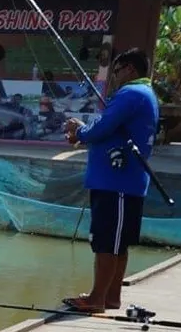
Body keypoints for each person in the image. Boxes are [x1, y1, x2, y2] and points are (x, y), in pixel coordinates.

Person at [62, 48, 160, 315]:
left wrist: (80, 131)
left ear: (129, 69)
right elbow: (110, 127)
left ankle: (96, 300)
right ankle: (110, 297)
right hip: (124, 182)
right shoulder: (145, 95)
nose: (114, 77)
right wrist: (83, 131)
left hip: (116, 183)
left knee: (107, 242)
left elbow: (104, 127)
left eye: (116, 71)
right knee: (118, 242)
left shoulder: (131, 94)